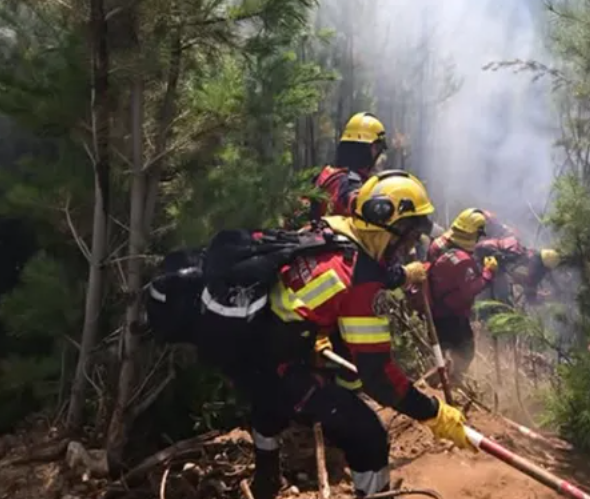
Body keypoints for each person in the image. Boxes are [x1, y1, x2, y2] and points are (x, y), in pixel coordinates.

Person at [218, 170, 473, 499]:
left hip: (254, 346)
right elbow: (379, 377)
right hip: (276, 365)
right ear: (388, 227)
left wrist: (308, 330)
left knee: (274, 401)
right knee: (370, 436)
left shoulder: (332, 229)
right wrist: (434, 413)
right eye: (408, 237)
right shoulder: (360, 281)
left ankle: (266, 478)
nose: (408, 248)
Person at [422, 208, 499, 383]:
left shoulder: (438, 244)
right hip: (453, 315)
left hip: (434, 309)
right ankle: (453, 383)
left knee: (441, 352)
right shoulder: (463, 261)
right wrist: (488, 273)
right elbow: (470, 290)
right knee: (466, 351)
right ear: (475, 233)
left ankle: (436, 382)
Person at [309, 112, 388, 220]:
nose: (380, 156)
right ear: (364, 150)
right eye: (376, 148)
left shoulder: (325, 175)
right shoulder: (350, 182)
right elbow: (353, 198)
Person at [475, 235, 561, 307]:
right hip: (488, 258)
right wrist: (541, 298)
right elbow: (530, 294)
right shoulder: (530, 266)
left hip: (486, 249)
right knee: (502, 294)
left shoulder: (531, 254)